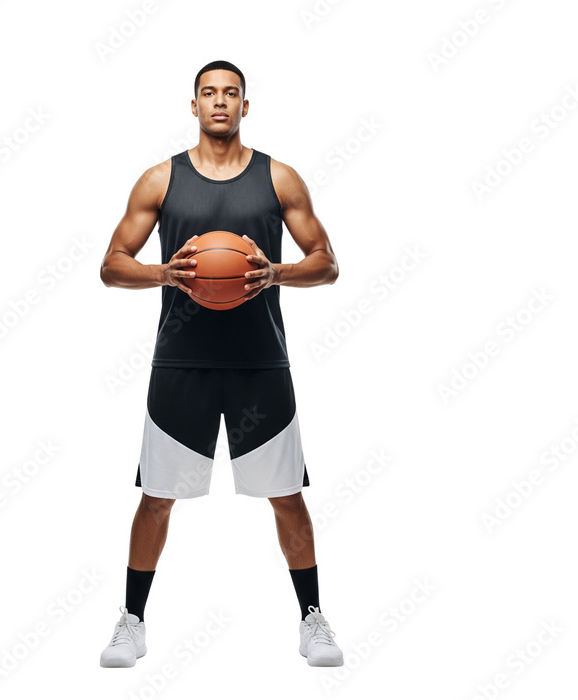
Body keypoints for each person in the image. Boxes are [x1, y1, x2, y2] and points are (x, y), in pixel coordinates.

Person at [98, 60, 343, 667]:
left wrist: (276, 272)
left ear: (245, 106)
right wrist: (163, 273)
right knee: (157, 497)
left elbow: (326, 261)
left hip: (261, 363)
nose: (219, 102)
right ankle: (132, 621)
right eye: (209, 93)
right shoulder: (160, 180)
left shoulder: (278, 178)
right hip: (181, 363)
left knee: (287, 496)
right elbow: (112, 264)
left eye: (231, 93)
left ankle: (313, 619)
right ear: (194, 105)